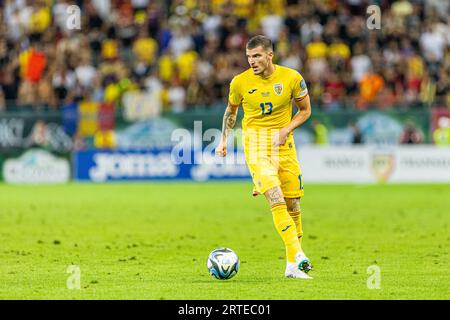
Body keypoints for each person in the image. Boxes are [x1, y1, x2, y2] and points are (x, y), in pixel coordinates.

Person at [216, 35, 313, 279]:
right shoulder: (239, 82)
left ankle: (292, 266)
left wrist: (285, 130)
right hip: (256, 146)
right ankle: (298, 254)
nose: (252, 61)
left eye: (257, 56)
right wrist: (224, 139)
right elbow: (231, 111)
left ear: (270, 55)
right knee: (276, 198)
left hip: (285, 147)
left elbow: (305, 111)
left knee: (293, 204)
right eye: (249, 57)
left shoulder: (292, 78)